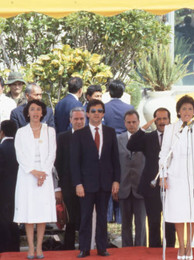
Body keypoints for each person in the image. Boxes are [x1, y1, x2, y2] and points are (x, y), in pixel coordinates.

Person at [159, 95, 194, 260]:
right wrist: (163, 175)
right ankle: (180, 246)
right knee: (178, 212)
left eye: (190, 109)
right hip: (176, 175)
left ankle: (190, 246)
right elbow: (164, 153)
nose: (187, 112)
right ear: (178, 111)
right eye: (184, 109)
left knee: (193, 212)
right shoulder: (171, 129)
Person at [70, 99, 120, 258]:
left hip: (105, 183)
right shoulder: (79, 134)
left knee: (102, 217)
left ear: (103, 114)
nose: (96, 114)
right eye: (93, 111)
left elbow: (115, 159)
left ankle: (101, 247)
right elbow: (74, 162)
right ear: (87, 113)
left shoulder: (111, 132)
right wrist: (77, 183)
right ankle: (84, 248)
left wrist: (116, 180)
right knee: (85, 217)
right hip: (85, 184)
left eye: (99, 111)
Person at [14, 100, 57, 259]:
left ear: (42, 112)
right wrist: (34, 172)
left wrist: (43, 173)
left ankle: (39, 247)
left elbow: (52, 153)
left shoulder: (50, 131)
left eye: (38, 109)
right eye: (32, 109)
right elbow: (20, 155)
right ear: (27, 112)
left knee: (41, 212)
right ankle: (30, 248)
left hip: (44, 175)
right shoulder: (21, 132)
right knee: (29, 211)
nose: (35, 112)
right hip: (27, 175)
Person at [127, 107, 176, 248]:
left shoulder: (176, 137)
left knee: (170, 222)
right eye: (158, 119)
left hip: (171, 185)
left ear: (169, 119)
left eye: (164, 118)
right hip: (152, 186)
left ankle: (171, 251)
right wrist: (144, 128)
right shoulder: (148, 137)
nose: (162, 122)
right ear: (154, 121)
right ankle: (154, 252)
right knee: (153, 222)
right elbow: (131, 145)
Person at [54, 107, 86, 250]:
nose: (79, 122)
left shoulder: (91, 136)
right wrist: (58, 187)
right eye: (76, 119)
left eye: (81, 119)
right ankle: (68, 249)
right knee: (70, 219)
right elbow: (58, 164)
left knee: (86, 218)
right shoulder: (62, 137)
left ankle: (86, 247)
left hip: (88, 185)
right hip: (68, 185)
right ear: (70, 120)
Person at [117, 110, 146, 247]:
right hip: (123, 187)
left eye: (134, 122)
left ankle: (141, 251)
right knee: (125, 224)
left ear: (139, 122)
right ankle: (126, 251)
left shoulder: (146, 138)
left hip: (141, 188)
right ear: (124, 123)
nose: (131, 125)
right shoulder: (118, 139)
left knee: (140, 224)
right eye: (128, 122)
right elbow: (114, 164)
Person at [0, 120, 20, 253]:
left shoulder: (1, 148)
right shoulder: (20, 148)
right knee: (15, 219)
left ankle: (5, 248)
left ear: (2, 132)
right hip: (18, 189)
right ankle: (15, 248)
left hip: (3, 190)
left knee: (3, 220)